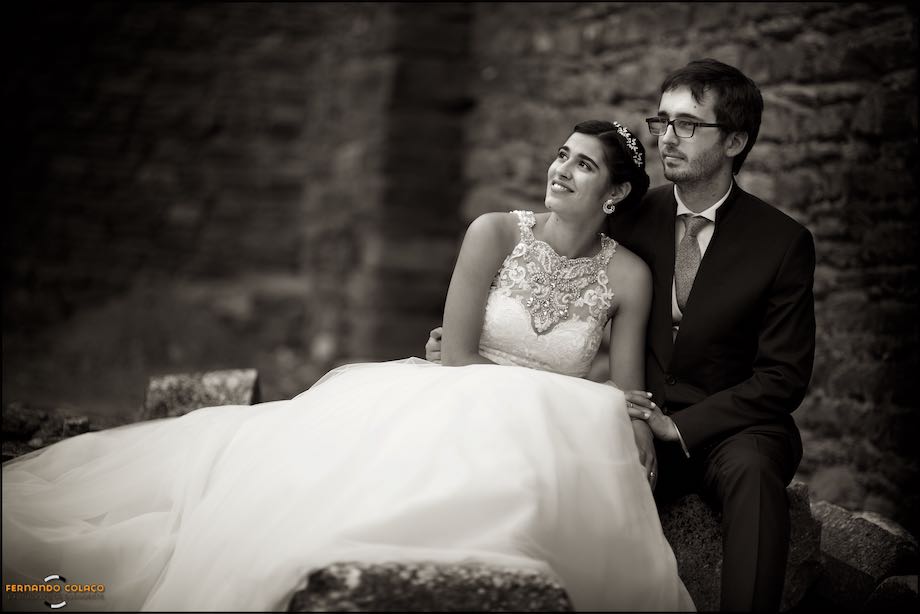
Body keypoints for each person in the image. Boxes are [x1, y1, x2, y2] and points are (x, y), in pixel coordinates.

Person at [2, 120, 695, 612]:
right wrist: (539, 394)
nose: (560, 169)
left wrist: (637, 434)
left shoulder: (628, 275)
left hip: (539, 422)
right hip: (456, 392)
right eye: (561, 154)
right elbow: (457, 355)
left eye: (584, 165)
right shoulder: (494, 233)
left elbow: (626, 386)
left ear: (614, 195)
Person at [430, 59, 816, 612]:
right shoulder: (629, 214)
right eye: (663, 121)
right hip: (627, 414)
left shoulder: (781, 242)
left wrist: (678, 426)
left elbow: (783, 377)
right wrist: (471, 339)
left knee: (754, 474)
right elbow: (564, 266)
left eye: (688, 124)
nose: (668, 137)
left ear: (734, 141)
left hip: (727, 427)